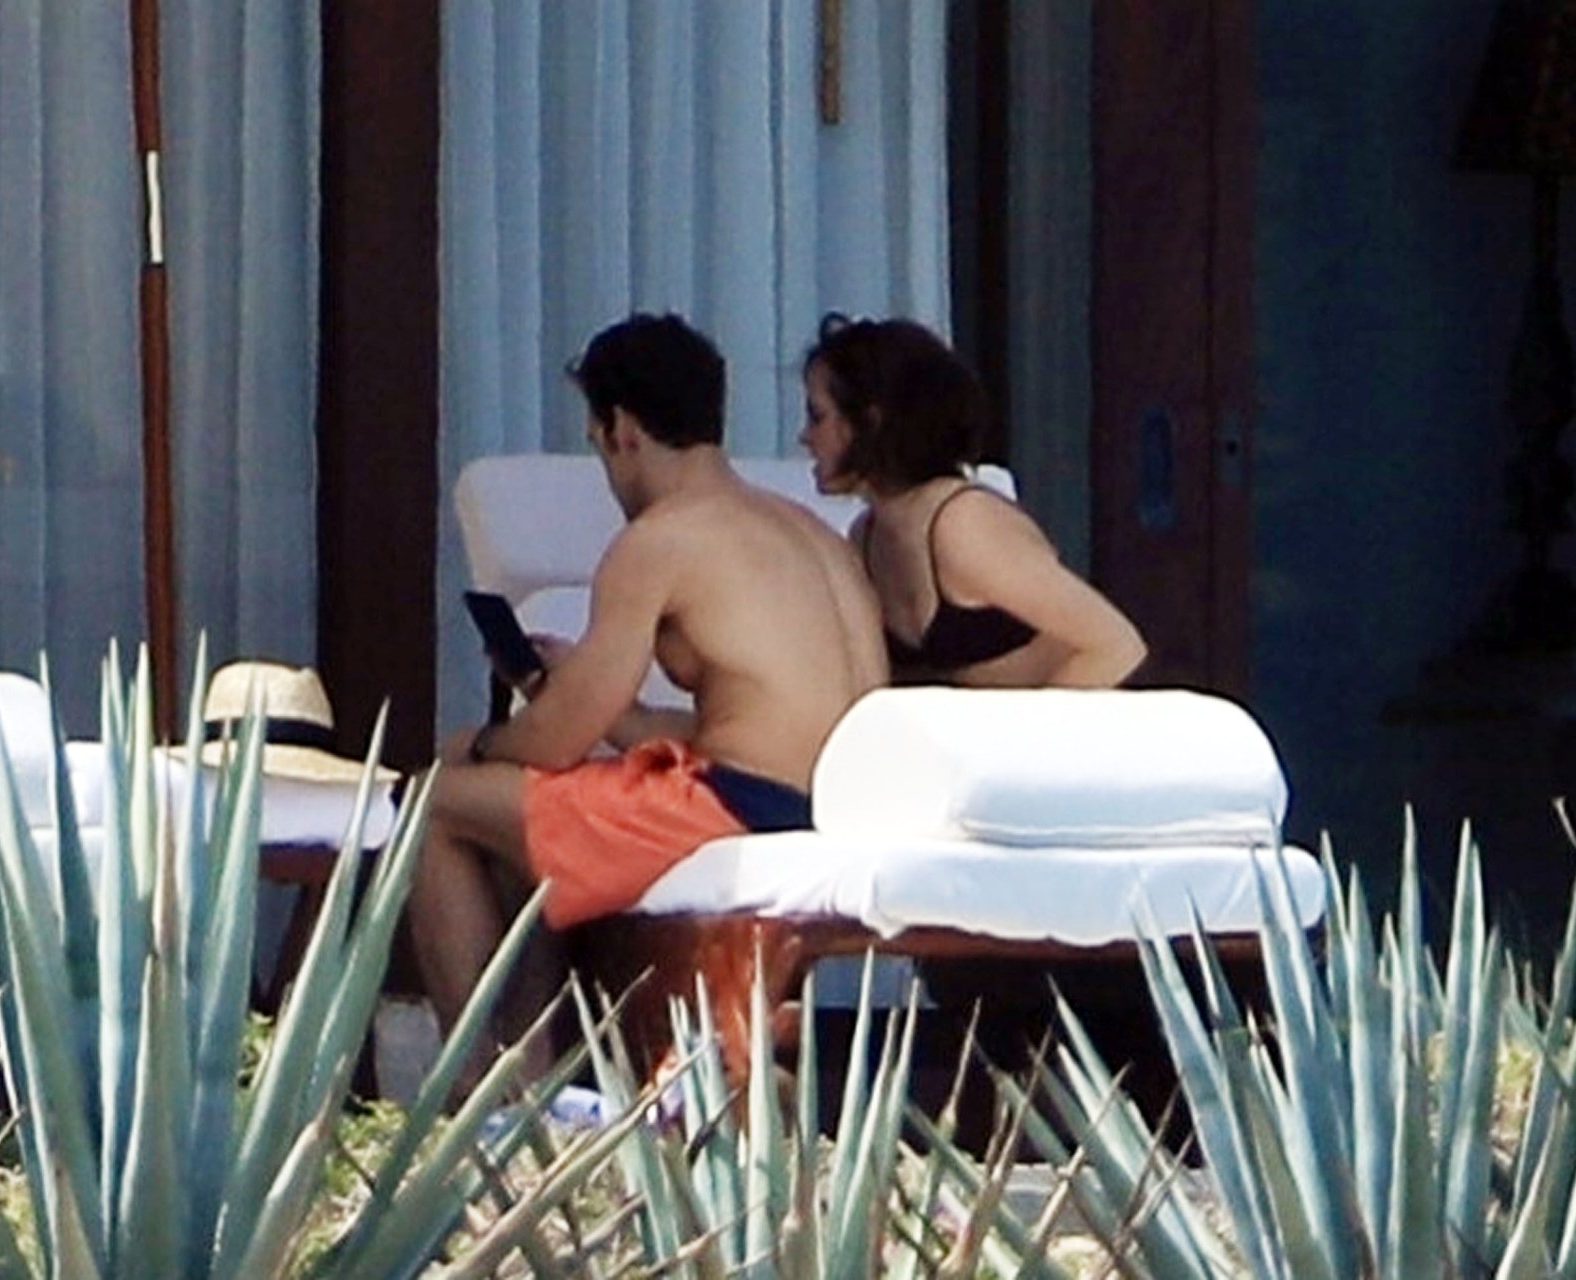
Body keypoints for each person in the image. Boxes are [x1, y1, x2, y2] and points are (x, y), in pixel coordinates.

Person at [411, 312, 888, 1069]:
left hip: (737, 807)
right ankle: (539, 1077)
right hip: (831, 804)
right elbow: (763, 719)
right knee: (517, 815)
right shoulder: (812, 535)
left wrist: (486, 743)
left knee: (435, 802)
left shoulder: (662, 538)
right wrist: (607, 709)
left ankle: (476, 1089)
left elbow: (556, 740)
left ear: (623, 430)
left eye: (598, 442)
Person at [800, 313, 1146, 688]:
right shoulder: (868, 537)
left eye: (818, 417)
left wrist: (1020, 727)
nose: (805, 437)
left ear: (871, 423)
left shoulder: (962, 526)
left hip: (1097, 715)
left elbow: (1116, 646)